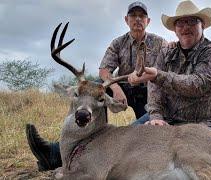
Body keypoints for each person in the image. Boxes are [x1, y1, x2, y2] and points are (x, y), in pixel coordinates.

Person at [26, 1, 167, 171]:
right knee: (99, 88)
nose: (137, 19)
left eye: (142, 16)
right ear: (126, 19)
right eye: (133, 16)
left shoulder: (160, 43)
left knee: (144, 129)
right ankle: (57, 152)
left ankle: (104, 147)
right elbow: (104, 70)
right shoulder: (118, 43)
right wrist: (115, 89)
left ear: (148, 21)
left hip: (150, 93)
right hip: (123, 90)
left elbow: (167, 70)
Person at [128, 0, 211, 131]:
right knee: (125, 138)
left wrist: (158, 75)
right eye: (180, 23)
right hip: (167, 119)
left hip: (203, 124)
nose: (186, 27)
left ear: (203, 26)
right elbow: (154, 88)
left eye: (192, 21)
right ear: (175, 29)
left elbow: (196, 85)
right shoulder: (166, 52)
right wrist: (156, 116)